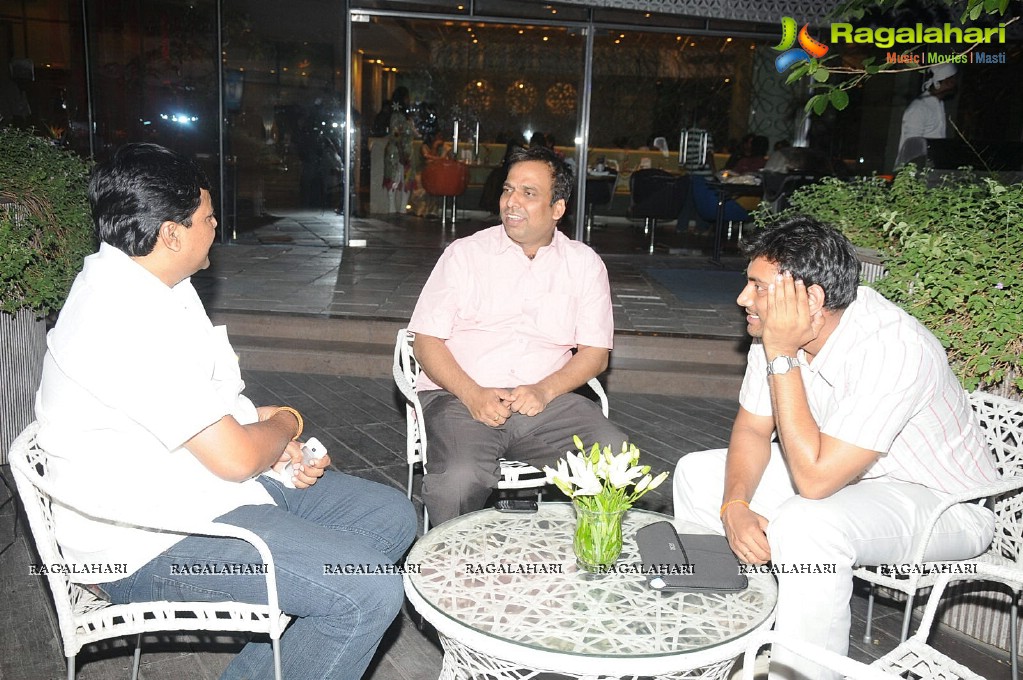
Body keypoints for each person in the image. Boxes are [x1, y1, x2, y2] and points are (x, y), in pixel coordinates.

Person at [34, 143, 417, 680]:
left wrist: (276, 447)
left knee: (391, 517)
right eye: (208, 218)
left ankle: (292, 647)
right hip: (142, 541)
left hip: (197, 487)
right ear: (170, 233)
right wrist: (284, 423)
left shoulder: (158, 284)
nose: (216, 227)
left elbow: (215, 416)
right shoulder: (120, 318)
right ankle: (324, 610)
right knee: (368, 590)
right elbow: (235, 457)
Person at [672, 216, 997, 680]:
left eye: (758, 288)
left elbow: (815, 481)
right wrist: (734, 504)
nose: (743, 299)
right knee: (698, 475)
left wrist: (781, 355)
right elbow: (751, 430)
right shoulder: (781, 330)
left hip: (943, 503)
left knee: (808, 524)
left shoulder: (893, 347)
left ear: (813, 300)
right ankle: (722, 639)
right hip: (848, 475)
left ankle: (801, 672)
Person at [407, 145, 628, 525]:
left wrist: (543, 390)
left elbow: (596, 354)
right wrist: (473, 394)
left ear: (557, 208)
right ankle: (452, 572)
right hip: (461, 398)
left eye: (529, 193)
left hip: (546, 403)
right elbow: (426, 340)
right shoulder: (465, 255)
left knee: (613, 457)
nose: (512, 202)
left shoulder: (584, 265)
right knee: (458, 482)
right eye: (508, 189)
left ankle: (588, 557)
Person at [895, 63, 958, 167]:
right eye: (954, 80)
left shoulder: (938, 103)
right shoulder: (919, 107)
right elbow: (910, 147)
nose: (956, 83)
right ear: (947, 81)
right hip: (915, 173)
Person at [383, 86, 416, 213]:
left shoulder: (406, 117)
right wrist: (401, 153)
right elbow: (396, 136)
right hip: (397, 154)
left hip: (406, 153)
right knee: (394, 179)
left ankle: (402, 209)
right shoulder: (396, 116)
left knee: (406, 181)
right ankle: (392, 209)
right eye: (407, 97)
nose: (409, 100)